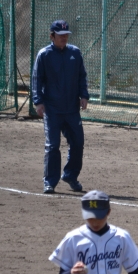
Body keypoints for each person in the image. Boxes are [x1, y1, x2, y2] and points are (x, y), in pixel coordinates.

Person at [32, 20, 90, 194]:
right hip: (53, 110)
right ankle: (50, 182)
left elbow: (81, 76)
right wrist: (38, 101)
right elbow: (36, 79)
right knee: (53, 145)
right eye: (60, 35)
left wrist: (84, 96)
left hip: (72, 109)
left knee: (78, 143)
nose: (64, 37)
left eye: (66, 35)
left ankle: (70, 175)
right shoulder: (44, 55)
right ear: (52, 36)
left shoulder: (75, 53)